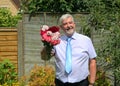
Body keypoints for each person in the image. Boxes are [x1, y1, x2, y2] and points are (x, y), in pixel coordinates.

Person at [42, 14, 97, 86]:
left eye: (70, 23)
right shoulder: (56, 41)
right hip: (61, 83)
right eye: (65, 24)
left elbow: (93, 61)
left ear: (74, 24)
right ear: (61, 27)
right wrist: (47, 45)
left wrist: (91, 83)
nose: (68, 26)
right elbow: (45, 57)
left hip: (81, 83)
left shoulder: (86, 40)